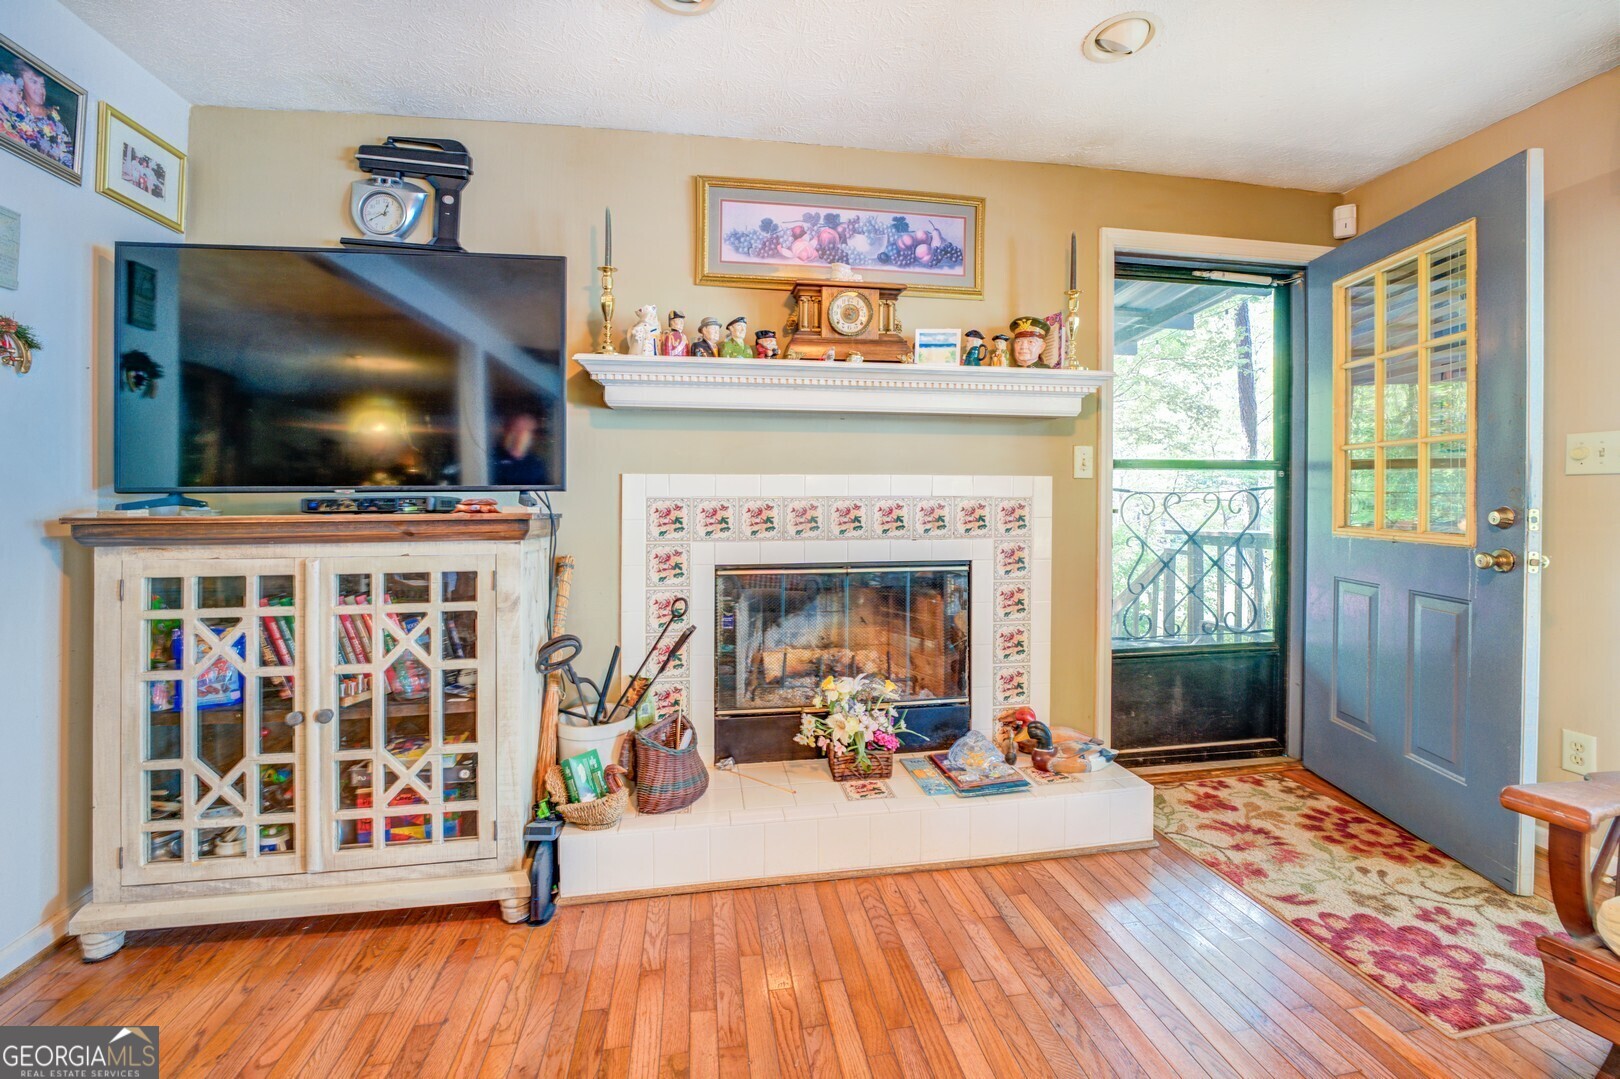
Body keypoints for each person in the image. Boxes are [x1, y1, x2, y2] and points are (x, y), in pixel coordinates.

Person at [5, 60, 74, 168]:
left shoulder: (55, 118)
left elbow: (68, 159)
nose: (40, 90)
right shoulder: (13, 110)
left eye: (42, 84)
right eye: (33, 82)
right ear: (20, 82)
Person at [492, 413, 550, 487]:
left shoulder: (536, 464)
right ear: (507, 431)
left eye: (525, 430)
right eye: (516, 429)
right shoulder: (494, 459)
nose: (520, 435)